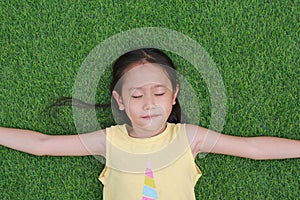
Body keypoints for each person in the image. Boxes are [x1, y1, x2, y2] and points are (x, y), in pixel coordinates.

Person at [1, 48, 299, 199]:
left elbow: (253, 148)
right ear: (119, 100)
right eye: (136, 95)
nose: (148, 103)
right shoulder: (109, 140)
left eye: (158, 92)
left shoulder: (189, 138)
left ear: (174, 96)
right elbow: (42, 145)